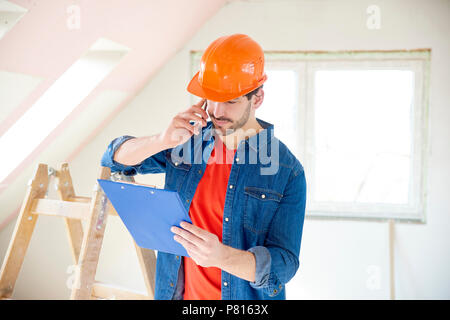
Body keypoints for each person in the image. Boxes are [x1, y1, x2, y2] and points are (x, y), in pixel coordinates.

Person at [100, 34, 307, 300]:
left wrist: (222, 256)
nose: (217, 111)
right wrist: (162, 140)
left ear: (257, 98)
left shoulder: (287, 171)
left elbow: (285, 265)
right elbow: (113, 157)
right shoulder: (189, 143)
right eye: (210, 97)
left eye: (230, 100)